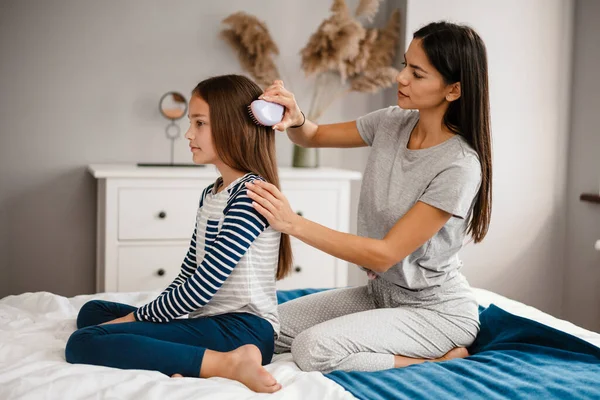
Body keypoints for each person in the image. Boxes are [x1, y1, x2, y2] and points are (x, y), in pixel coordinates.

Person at [245, 21, 492, 373]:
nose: (401, 77)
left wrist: (292, 223)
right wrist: (295, 115)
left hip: (435, 311)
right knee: (262, 328)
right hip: (380, 296)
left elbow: (385, 254)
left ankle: (437, 360)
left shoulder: (459, 166)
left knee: (312, 349)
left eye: (417, 74)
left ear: (453, 90)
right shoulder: (392, 122)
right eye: (405, 64)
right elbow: (310, 136)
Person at [65, 74, 293, 393]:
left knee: (83, 343)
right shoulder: (212, 193)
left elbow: (201, 287)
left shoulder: (251, 196)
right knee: (93, 313)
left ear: (232, 127)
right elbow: (189, 272)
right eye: (191, 123)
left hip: (246, 330)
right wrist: (152, 317)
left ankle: (228, 363)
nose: (189, 134)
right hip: (214, 322)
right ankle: (193, 357)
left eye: (200, 123)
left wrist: (135, 322)